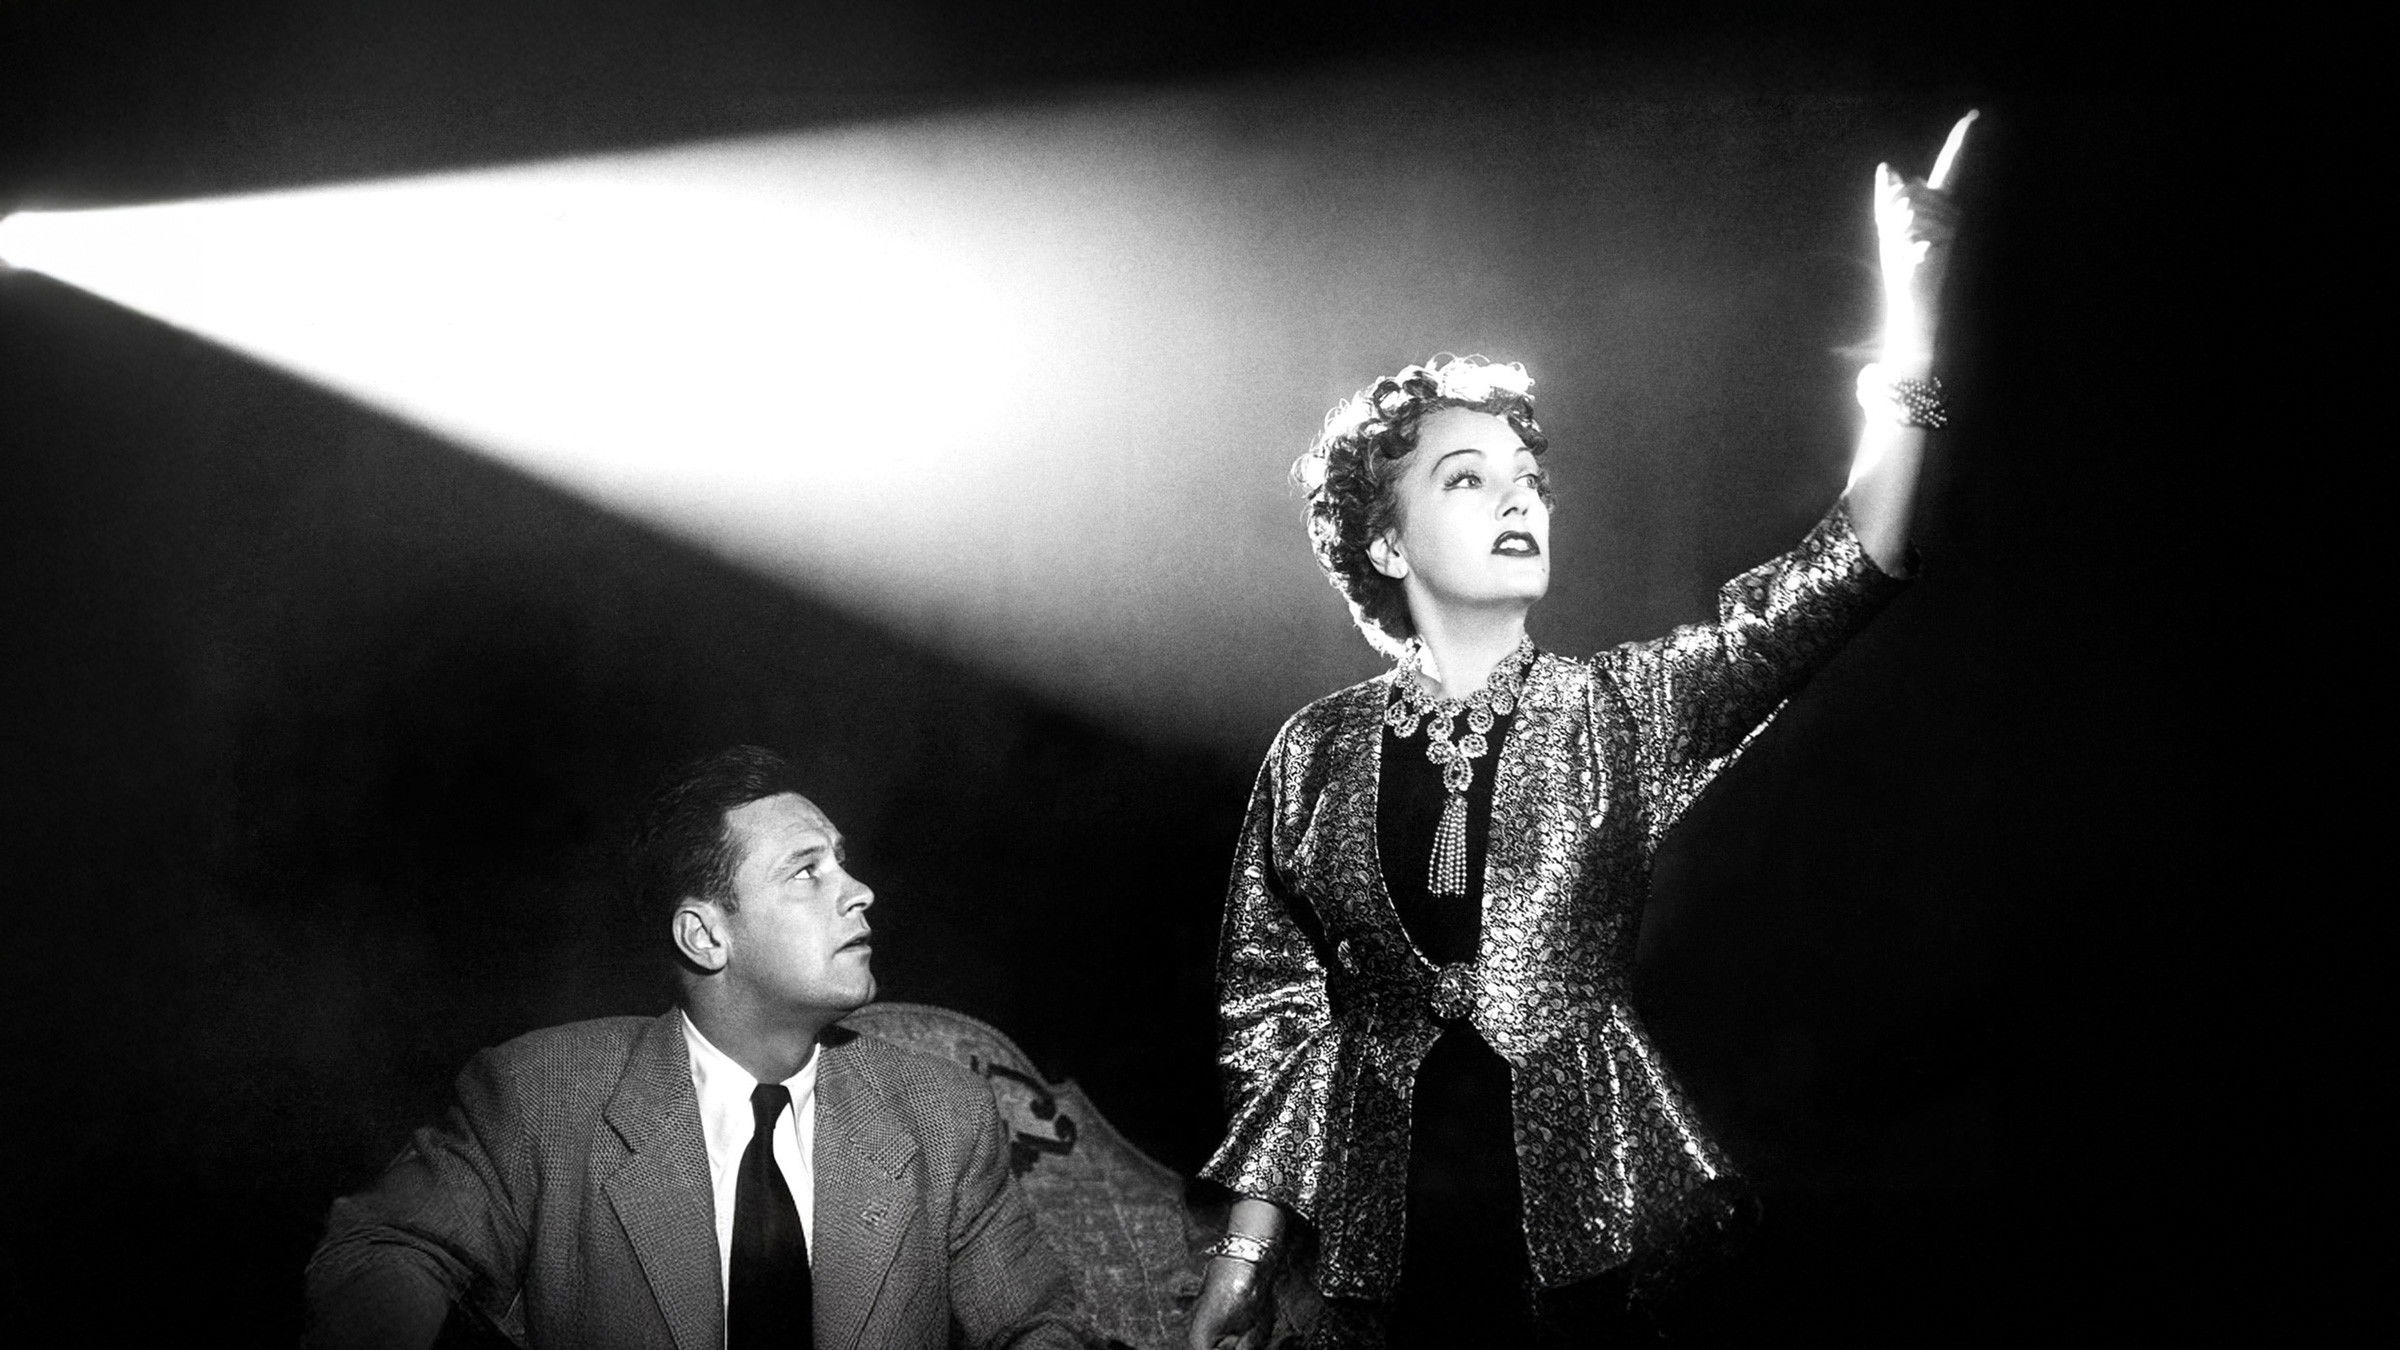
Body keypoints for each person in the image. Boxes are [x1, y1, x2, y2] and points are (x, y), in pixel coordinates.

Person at [1186, 117, 1976, 1349]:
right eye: (1467, 477)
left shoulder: (1618, 708)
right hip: (1379, 1270)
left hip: (1588, 1256)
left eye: (1530, 479)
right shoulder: (1314, 753)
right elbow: (1276, 1019)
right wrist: (1245, 1254)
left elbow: (1846, 570)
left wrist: (1911, 319)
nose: (1520, 498)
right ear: (1385, 542)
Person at [306, 745, 1090, 1350]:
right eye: (806, 872)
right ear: (705, 936)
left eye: (843, 863)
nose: (859, 892)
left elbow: (1037, 1327)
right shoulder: (541, 1093)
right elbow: (376, 1249)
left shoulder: (942, 1113)